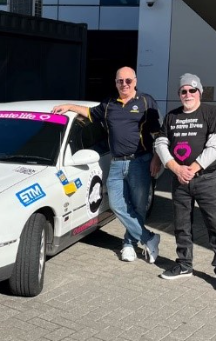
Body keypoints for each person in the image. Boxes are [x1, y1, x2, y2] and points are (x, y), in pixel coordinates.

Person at [52, 66, 162, 263]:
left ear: (135, 81)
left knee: (138, 206)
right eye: (120, 81)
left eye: (128, 80)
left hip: (140, 161)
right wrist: (69, 106)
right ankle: (149, 238)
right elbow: (89, 112)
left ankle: (129, 243)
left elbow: (157, 134)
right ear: (116, 83)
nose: (124, 84)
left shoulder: (146, 101)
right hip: (116, 163)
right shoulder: (110, 103)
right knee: (116, 204)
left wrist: (157, 158)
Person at [152, 74, 216, 293]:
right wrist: (176, 168)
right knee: (181, 225)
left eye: (192, 90)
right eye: (183, 91)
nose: (187, 94)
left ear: (200, 92)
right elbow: (160, 142)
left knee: (215, 226)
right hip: (179, 180)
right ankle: (185, 264)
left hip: (207, 180)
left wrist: (192, 169)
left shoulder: (212, 113)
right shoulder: (171, 116)